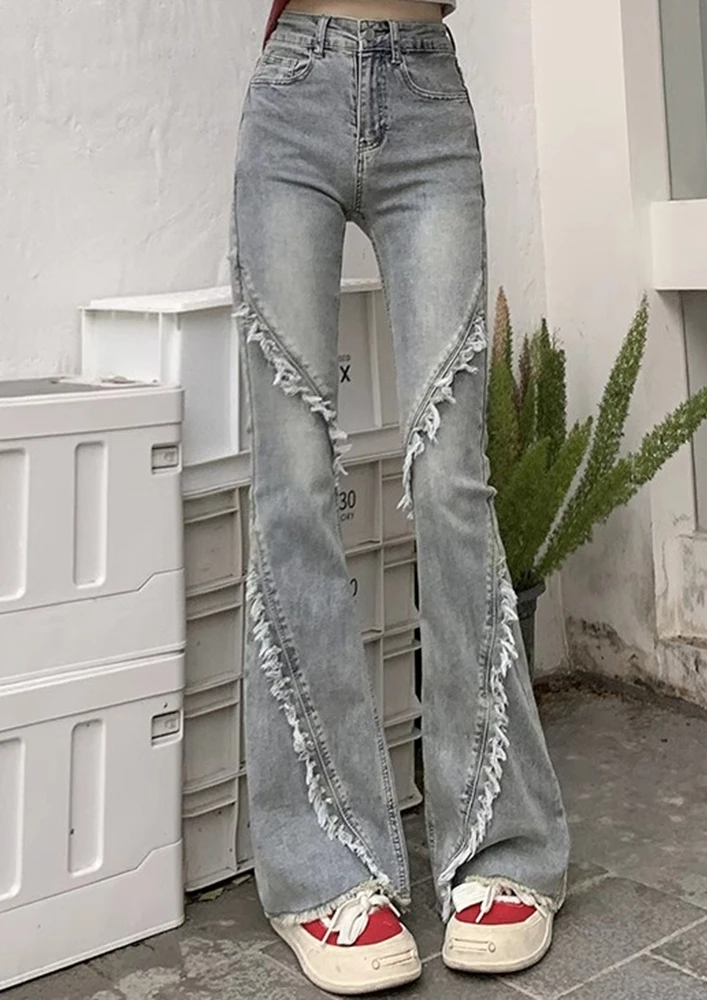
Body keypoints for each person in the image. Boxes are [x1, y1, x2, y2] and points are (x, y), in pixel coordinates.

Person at [230, 0, 570, 993]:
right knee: (294, 480)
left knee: (452, 476)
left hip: (425, 92)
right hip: (293, 91)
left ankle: (502, 845)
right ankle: (324, 867)